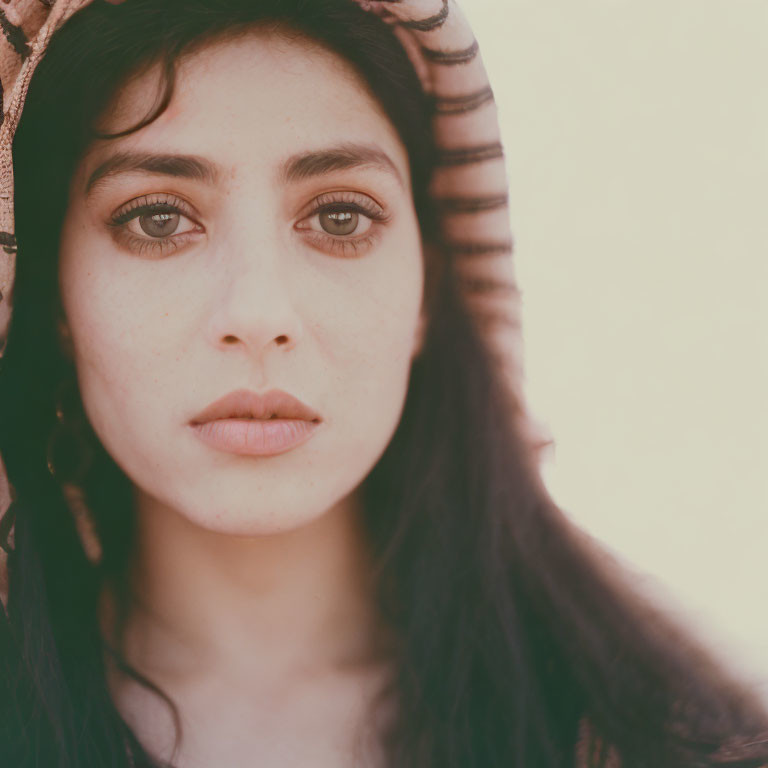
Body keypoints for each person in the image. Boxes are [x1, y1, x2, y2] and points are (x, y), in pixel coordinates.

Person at [0, 0, 766, 766]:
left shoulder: (681, 735)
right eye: (159, 219)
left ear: (430, 287)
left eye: (338, 217)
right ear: (54, 298)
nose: (261, 315)